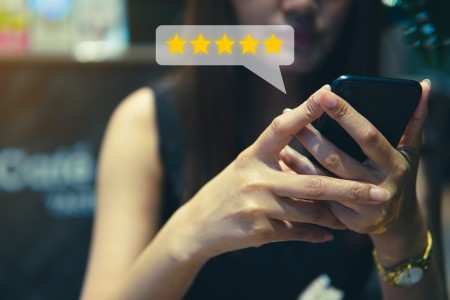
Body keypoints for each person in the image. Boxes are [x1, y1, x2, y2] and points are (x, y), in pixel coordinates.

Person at [80, 0, 446, 299]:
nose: (301, 5)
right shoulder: (144, 123)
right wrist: (188, 234)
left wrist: (402, 235)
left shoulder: (391, 135)